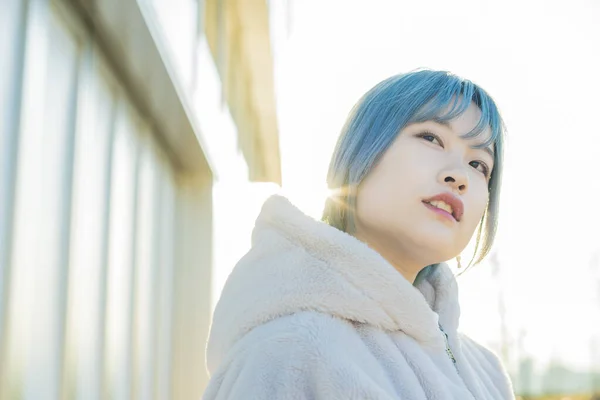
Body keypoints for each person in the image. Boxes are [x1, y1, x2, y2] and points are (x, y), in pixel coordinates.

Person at [203, 69, 515, 399]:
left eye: (479, 164)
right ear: (361, 150)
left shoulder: (488, 373)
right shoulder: (289, 353)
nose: (460, 176)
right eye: (431, 138)